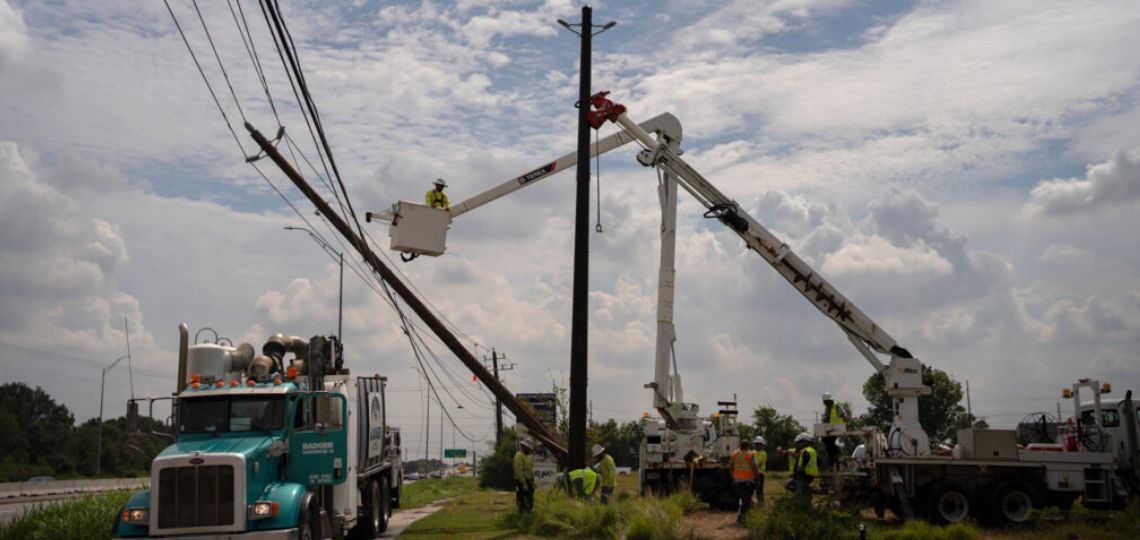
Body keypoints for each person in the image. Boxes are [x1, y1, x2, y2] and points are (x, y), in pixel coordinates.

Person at [730, 438, 758, 523]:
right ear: (748, 446)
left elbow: (731, 467)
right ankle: (741, 517)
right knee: (746, 499)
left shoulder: (734, 454)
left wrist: (732, 478)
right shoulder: (750, 454)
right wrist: (757, 479)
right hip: (749, 481)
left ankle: (748, 515)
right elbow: (755, 467)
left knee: (744, 498)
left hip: (738, 481)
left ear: (740, 446)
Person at [821, 392, 849, 471]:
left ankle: (834, 459)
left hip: (837, 429)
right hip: (830, 430)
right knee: (827, 443)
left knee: (829, 443)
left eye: (826, 402)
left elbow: (845, 416)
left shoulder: (836, 406)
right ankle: (836, 456)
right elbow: (826, 420)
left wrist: (845, 427)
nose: (825, 404)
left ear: (829, 401)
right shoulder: (827, 409)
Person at [792, 432, 819, 505]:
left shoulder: (806, 451)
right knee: (804, 492)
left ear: (805, 442)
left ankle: (801, 508)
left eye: (800, 442)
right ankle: (806, 506)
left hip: (803, 475)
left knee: (800, 494)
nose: (798, 444)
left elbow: (806, 458)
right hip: (810, 476)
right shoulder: (812, 450)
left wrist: (801, 468)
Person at [513, 438, 535, 513]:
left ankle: (528, 512)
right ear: (524, 447)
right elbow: (518, 471)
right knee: (523, 498)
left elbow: (530, 470)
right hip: (521, 480)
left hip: (528, 480)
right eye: (528, 448)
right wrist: (523, 483)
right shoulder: (519, 456)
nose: (529, 449)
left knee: (530, 497)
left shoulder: (528, 457)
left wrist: (532, 481)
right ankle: (522, 513)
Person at [751, 436, 768, 507]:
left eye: (759, 444)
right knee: (750, 490)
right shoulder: (752, 452)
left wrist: (751, 464)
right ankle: (752, 503)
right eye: (756, 444)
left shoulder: (763, 453)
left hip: (760, 474)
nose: (758, 446)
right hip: (752, 474)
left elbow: (758, 463)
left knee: (759, 490)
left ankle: (761, 504)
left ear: (762, 445)